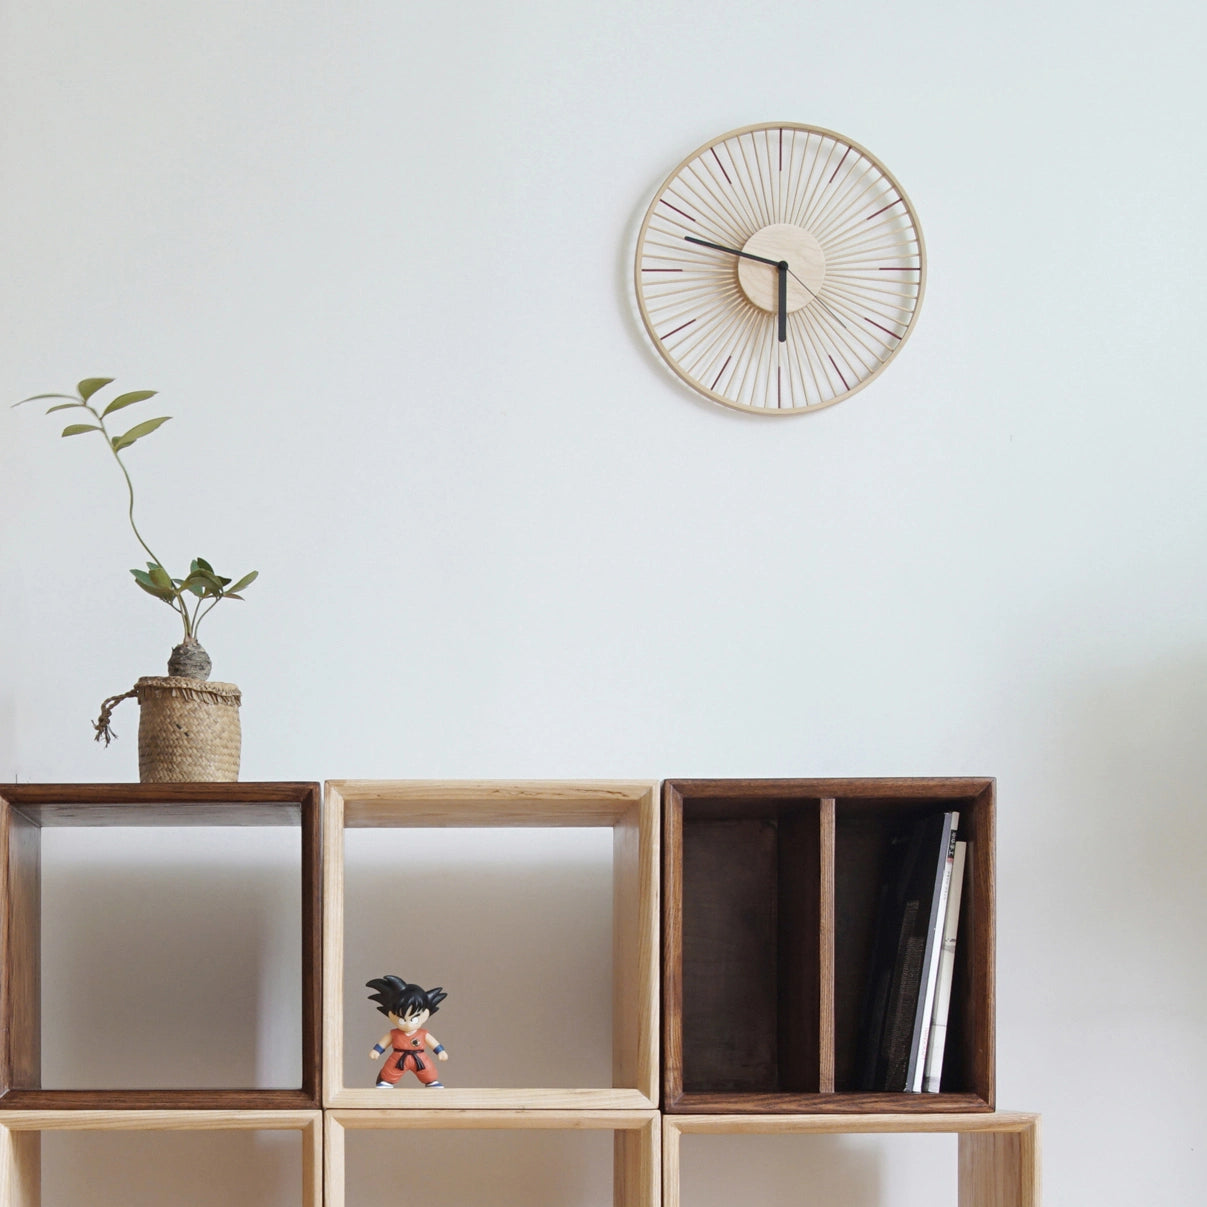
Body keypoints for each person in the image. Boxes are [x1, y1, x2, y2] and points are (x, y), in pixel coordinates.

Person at [366, 975, 450, 1088]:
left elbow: (434, 1043)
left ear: (426, 1014)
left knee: (429, 1072)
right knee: (389, 1073)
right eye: (402, 1019)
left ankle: (431, 1082)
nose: (408, 1023)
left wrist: (440, 1051)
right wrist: (377, 1051)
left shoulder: (423, 1034)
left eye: (414, 1019)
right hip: (397, 1057)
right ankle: (386, 1082)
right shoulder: (394, 1034)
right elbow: (383, 1043)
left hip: (420, 1057)